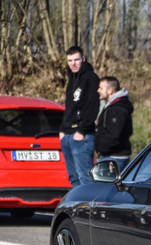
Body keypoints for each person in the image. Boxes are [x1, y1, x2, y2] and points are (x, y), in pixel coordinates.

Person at [59, 46, 100, 186]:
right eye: (70, 60)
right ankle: (78, 208)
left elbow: (93, 107)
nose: (73, 63)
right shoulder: (72, 79)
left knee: (85, 178)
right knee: (73, 178)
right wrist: (62, 130)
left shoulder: (91, 78)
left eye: (76, 59)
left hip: (82, 136)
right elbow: (69, 107)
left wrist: (82, 130)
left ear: (83, 59)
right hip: (68, 135)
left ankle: (89, 207)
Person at [95, 76, 134, 171]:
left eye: (101, 88)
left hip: (114, 157)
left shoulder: (117, 109)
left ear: (110, 91)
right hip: (110, 156)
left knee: (107, 185)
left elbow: (114, 134)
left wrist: (102, 149)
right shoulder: (111, 106)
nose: (98, 90)